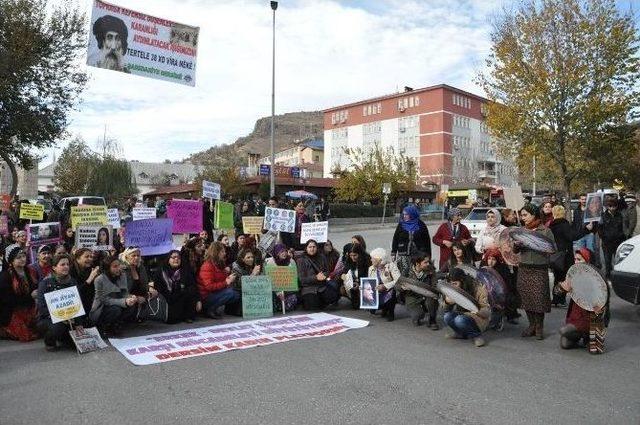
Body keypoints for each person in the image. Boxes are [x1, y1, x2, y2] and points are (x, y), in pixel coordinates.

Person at [555, 248, 610, 353]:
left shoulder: (597, 277)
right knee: (565, 344)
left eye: (579, 259)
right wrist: (561, 288)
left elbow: (604, 301)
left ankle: (588, 336)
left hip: (592, 318)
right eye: (575, 259)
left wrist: (600, 309)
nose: (576, 262)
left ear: (587, 260)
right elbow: (556, 293)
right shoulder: (573, 274)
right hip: (576, 317)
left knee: (595, 350)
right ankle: (580, 334)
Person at [515, 204, 555, 340]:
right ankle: (531, 325)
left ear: (534, 215)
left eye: (525, 215)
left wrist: (537, 245)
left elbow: (552, 249)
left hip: (539, 268)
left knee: (538, 299)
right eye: (522, 215)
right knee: (526, 299)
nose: (523, 218)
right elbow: (515, 251)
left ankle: (539, 327)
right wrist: (517, 246)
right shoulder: (520, 231)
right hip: (524, 267)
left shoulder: (545, 231)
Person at [37, 254, 87, 351]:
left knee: (75, 341)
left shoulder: (72, 282)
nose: (66, 267)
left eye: (67, 264)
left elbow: (78, 303)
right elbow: (42, 307)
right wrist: (60, 316)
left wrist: (78, 323)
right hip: (49, 318)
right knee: (58, 327)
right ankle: (49, 342)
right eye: (62, 264)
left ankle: (64, 338)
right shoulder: (45, 283)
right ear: (54, 268)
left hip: (70, 318)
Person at [90, 255, 146, 334]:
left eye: (119, 265)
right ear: (108, 268)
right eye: (115, 266)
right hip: (101, 308)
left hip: (117, 302)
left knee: (131, 305)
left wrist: (130, 297)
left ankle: (116, 323)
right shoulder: (99, 279)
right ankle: (103, 326)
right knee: (116, 309)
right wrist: (124, 301)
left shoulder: (122, 275)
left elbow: (124, 292)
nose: (118, 268)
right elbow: (103, 299)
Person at [549, 205, 590, 307]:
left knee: (557, 277)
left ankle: (555, 298)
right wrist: (586, 230)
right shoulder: (564, 224)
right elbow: (572, 236)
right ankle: (561, 299)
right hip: (565, 255)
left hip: (556, 256)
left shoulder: (552, 225)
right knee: (565, 277)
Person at [443, 268, 491, 347]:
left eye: (455, 283)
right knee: (447, 317)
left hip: (478, 318)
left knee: (459, 320)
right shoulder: (453, 289)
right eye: (451, 284)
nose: (453, 286)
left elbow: (487, 312)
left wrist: (477, 311)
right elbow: (445, 309)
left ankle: (476, 336)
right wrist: (447, 302)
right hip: (463, 315)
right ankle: (460, 333)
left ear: (462, 281)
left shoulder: (478, 289)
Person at [0, 245, 38, 341]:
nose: (22, 259)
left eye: (23, 256)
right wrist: (31, 297)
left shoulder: (30, 271)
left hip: (29, 307)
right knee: (26, 334)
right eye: (18, 258)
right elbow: (8, 300)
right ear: (11, 261)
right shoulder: (5, 276)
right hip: (12, 310)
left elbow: (35, 288)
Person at [152, 250, 200, 324]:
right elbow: (158, 288)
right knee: (172, 319)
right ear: (168, 260)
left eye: (178, 258)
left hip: (182, 297)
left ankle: (187, 316)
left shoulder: (185, 270)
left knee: (190, 290)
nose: (176, 259)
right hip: (167, 299)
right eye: (173, 257)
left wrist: (198, 300)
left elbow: (193, 286)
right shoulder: (161, 271)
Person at [397, 252, 439, 329]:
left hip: (426, 295)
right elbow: (397, 285)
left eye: (428, 262)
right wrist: (403, 287)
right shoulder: (407, 271)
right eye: (425, 262)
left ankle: (432, 320)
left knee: (432, 300)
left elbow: (434, 284)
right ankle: (419, 314)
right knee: (417, 315)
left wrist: (435, 293)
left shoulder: (430, 270)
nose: (428, 264)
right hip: (412, 296)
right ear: (417, 263)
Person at [197, 242, 239, 319]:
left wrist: (229, 278)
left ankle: (214, 308)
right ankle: (209, 309)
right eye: (222, 251)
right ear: (216, 252)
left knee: (236, 294)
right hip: (205, 296)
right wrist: (226, 282)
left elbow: (221, 280)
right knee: (231, 292)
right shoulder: (208, 265)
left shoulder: (219, 263)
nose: (224, 253)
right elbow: (209, 286)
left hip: (213, 293)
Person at [296, 240, 339, 310]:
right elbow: (302, 280)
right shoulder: (301, 260)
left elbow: (327, 271)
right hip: (308, 289)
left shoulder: (322, 257)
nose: (312, 249)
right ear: (306, 248)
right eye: (310, 247)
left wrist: (324, 275)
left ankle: (321, 302)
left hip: (321, 286)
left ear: (317, 248)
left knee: (333, 296)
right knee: (312, 305)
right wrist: (316, 277)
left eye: (314, 247)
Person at [481, 247, 520, 324]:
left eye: (493, 259)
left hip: (500, 293)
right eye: (489, 259)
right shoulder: (483, 267)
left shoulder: (503, 269)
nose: (491, 262)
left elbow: (507, 285)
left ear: (497, 260)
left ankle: (509, 315)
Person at [391, 205, 431, 275]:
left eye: (406, 214)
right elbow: (395, 238)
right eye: (403, 214)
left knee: (417, 274)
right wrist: (393, 252)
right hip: (403, 256)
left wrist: (428, 256)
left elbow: (427, 241)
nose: (404, 216)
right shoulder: (401, 224)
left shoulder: (421, 225)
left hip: (418, 256)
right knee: (403, 275)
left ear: (412, 214)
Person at [368, 248, 400, 321]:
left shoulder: (391, 266)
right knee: (370, 307)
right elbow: (370, 282)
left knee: (393, 291)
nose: (371, 260)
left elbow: (398, 280)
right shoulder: (370, 268)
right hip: (377, 290)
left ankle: (390, 311)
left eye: (372, 258)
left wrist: (385, 286)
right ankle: (383, 307)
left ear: (379, 260)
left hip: (388, 290)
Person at [265, 244, 298, 312]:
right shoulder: (270, 263)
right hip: (274, 290)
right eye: (281, 251)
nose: (284, 253)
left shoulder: (291, 261)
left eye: (285, 251)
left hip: (289, 290)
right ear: (277, 252)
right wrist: (278, 293)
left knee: (292, 301)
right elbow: (268, 280)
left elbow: (295, 277)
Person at [599, 198, 625, 278]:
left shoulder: (619, 215)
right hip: (607, 243)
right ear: (607, 207)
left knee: (618, 260)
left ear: (616, 206)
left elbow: (622, 227)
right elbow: (600, 229)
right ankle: (608, 275)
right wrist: (604, 237)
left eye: (614, 206)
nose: (612, 208)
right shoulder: (603, 216)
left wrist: (621, 236)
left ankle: (618, 275)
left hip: (618, 242)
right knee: (607, 261)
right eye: (610, 206)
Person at [341, 243, 372, 309]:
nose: (352, 257)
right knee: (355, 306)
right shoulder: (349, 260)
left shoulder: (367, 260)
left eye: (355, 255)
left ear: (360, 254)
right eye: (351, 255)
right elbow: (344, 271)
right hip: (353, 284)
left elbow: (369, 277)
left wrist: (359, 284)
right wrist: (343, 275)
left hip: (365, 284)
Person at [70, 248, 101, 314]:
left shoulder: (91, 268)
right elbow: (76, 293)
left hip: (90, 301)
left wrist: (97, 278)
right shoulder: (71, 270)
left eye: (91, 257)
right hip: (77, 305)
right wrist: (90, 279)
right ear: (78, 259)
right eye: (87, 257)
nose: (90, 259)